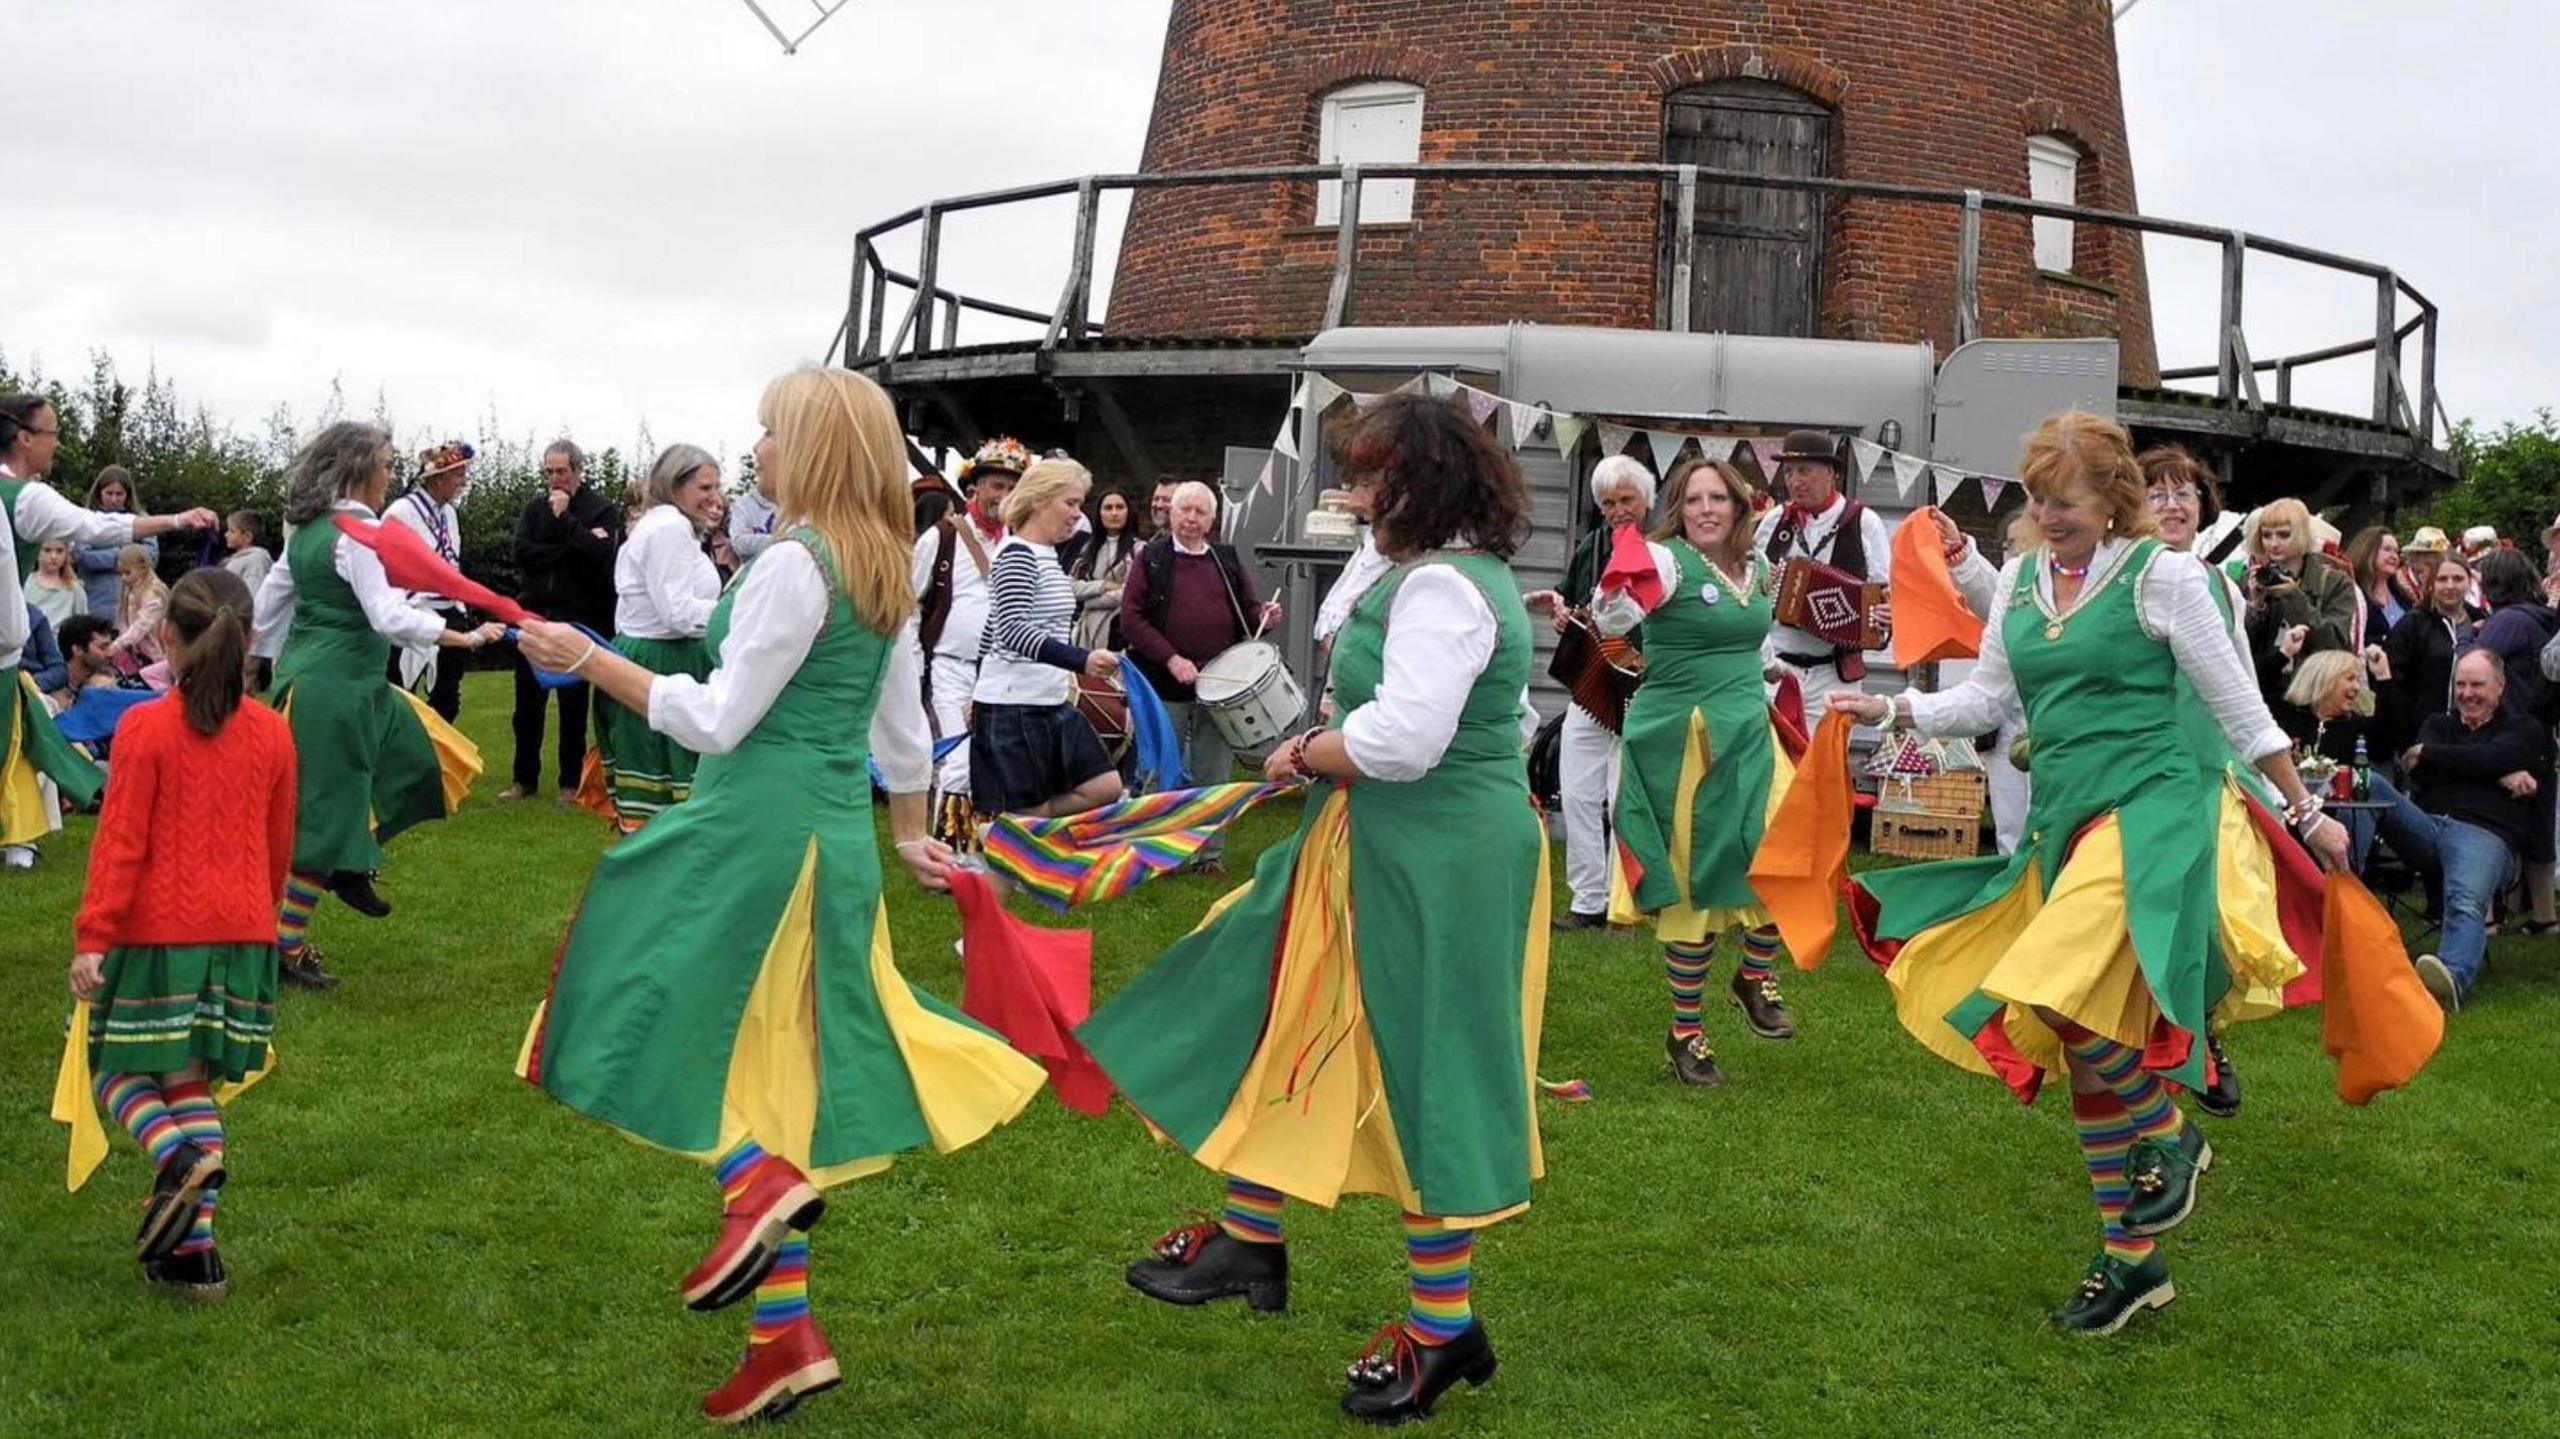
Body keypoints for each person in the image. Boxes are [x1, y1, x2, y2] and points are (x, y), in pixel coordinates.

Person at [515, 368, 1044, 1427]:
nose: (754, 450)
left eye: (767, 433)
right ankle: (781, 1339)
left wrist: (592, 659)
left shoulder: (795, 566)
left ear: (810, 448)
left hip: (752, 827)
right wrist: (904, 840)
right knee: (781, 1068)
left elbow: (716, 717)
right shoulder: (879, 564)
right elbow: (900, 735)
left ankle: (754, 1178)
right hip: (830, 843)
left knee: (632, 987)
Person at [1832, 411, 2348, 1338]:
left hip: (2151, 812)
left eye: (2063, 501)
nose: (2046, 515)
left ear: (2113, 501)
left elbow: (2238, 703)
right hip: (2066, 821)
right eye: (2035, 499)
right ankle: (2131, 1262)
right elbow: (1993, 698)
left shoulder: (2166, 576)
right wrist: (1895, 704)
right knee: (2084, 1045)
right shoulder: (2024, 581)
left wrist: (2304, 811)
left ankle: (2172, 1135)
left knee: (2046, 986)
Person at [1085, 392, 1543, 1426]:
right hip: (1375, 835)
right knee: (1265, 988)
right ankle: (1251, 1232)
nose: (1354, 491)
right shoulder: (1416, 573)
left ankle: (1442, 1323)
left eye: (1372, 475)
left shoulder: (1448, 590)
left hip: (1435, 852)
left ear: (1417, 485)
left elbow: (1402, 741)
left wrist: (1306, 752)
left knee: (1427, 1062)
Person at [60, 566, 294, 1301]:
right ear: (250, 639)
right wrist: (269, 926)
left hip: (160, 932)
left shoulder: (145, 728)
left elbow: (120, 842)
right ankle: (195, 1259)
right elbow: (278, 845)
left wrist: (94, 936)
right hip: (244, 935)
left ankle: (173, 1153)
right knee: (188, 1079)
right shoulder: (275, 735)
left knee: (115, 1067)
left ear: (168, 636)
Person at [253, 423, 503, 990]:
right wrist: (460, 637)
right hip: (338, 692)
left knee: (428, 756)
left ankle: (349, 861)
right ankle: (286, 945)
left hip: (318, 685)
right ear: (359, 468)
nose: (391, 476)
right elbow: (387, 616)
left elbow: (266, 609)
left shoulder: (309, 530)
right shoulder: (358, 532)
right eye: (387, 465)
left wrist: (251, 663)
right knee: (324, 823)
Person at [1595, 457, 1807, 1082]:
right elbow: (1611, 620)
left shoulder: (1760, 569)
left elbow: (1750, 641)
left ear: (1740, 508)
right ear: (1678, 512)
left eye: (1718, 498)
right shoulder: (1664, 561)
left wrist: (1771, 670)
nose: (1706, 510)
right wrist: (1613, 593)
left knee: (1787, 856)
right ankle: (1687, 1033)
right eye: (1693, 501)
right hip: (1683, 742)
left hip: (1747, 732)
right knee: (1692, 887)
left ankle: (1753, 977)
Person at [2, 392, 218, 872]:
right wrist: (177, 520)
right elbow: (96, 527)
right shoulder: (25, 498)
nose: (57, 444)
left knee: (20, 741)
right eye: (52, 434)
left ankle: (19, 840)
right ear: (24, 438)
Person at [1118, 480, 1282, 871]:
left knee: (1213, 774)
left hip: (1220, 686)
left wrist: (1265, 616)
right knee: (1162, 770)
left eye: (1200, 512)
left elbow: (1247, 610)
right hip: (1163, 681)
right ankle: (1155, 855)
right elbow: (1131, 619)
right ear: (1171, 513)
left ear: (1212, 519)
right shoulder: (1152, 557)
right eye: (1184, 510)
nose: (1191, 518)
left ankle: (1208, 855)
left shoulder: (1225, 559)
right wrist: (1171, 658)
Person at [1522, 454, 1654, 930]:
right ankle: (1587, 901)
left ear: (1647, 501)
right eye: (1607, 502)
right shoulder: (1593, 544)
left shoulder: (1664, 549)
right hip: (1593, 684)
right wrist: (1562, 613)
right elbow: (1572, 599)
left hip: (1646, 687)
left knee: (1625, 798)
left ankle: (1628, 902)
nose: (1618, 510)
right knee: (1576, 791)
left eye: (1626, 500)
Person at [2377, 652, 2549, 1011]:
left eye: (2478, 685)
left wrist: (2435, 756)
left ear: (2500, 688)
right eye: (2461, 684)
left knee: (2466, 899)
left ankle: (2450, 979)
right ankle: (2335, 904)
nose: (2467, 693)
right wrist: (2498, 773)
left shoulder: (2525, 730)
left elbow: (2437, 759)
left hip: (2484, 834)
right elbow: (2417, 769)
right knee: (2374, 787)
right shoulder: (2438, 723)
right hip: (2426, 827)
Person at [970, 457, 1124, 821]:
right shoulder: (1018, 555)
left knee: (1105, 787)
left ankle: (1011, 830)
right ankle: (1008, 840)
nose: (1077, 514)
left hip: (1046, 700)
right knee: (1028, 825)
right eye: (1070, 503)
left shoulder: (1044, 555)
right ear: (1040, 499)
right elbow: (1011, 629)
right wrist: (1081, 660)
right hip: (1016, 706)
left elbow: (992, 626)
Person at [595, 444, 725, 834]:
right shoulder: (668, 528)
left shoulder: (671, 525)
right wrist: (735, 613)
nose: (714, 497)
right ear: (674, 484)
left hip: (665, 656)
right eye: (704, 487)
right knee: (663, 798)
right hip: (660, 660)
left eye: (716, 487)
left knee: (673, 800)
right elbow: (679, 613)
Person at [911, 437, 1027, 839]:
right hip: (952, 669)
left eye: (1014, 488)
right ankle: (948, 855)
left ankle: (985, 850)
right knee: (959, 760)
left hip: (1002, 671)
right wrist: (912, 670)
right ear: (974, 488)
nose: (1005, 495)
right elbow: (908, 605)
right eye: (998, 485)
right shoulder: (941, 537)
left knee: (995, 759)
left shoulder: (1021, 542)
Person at [502, 440, 622, 802]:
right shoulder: (533, 509)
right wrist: (569, 548)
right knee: (527, 707)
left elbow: (600, 558)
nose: (555, 479)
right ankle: (524, 780)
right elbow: (521, 553)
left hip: (578, 620)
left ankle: (570, 784)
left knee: (573, 707)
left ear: (578, 471)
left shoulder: (600, 510)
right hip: (535, 617)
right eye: (549, 472)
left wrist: (567, 521)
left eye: (562, 472)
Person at [1754, 428, 1892, 713]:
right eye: (1789, 472)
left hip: (1835, 674)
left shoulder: (1864, 522)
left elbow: (1884, 593)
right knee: (1771, 756)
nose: (1794, 481)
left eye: (1804, 471)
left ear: (1831, 473)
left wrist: (1883, 615)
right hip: (1775, 667)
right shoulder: (1775, 521)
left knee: (1825, 757)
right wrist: (1771, 584)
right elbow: (1749, 584)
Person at [2470, 547, 2559, 932]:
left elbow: (2478, 664)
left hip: (2508, 732)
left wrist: (2465, 637)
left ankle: (2488, 916)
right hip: (2542, 731)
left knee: (2490, 818)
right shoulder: (2546, 620)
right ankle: (2544, 916)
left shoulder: (2506, 622)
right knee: (2540, 825)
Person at [383, 442, 477, 721]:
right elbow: (387, 565)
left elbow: (452, 561)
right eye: (458, 475)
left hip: (450, 610)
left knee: (448, 697)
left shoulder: (449, 514)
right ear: (438, 477)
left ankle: (440, 758)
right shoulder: (400, 512)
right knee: (400, 692)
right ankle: (400, 754)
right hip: (411, 610)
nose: (463, 482)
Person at [2377, 552, 2477, 758]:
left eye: (2458, 579)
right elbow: (2396, 683)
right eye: (2442, 579)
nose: (2450, 585)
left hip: (2473, 734)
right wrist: (2405, 737)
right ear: (2431, 584)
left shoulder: (2481, 622)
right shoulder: (2413, 624)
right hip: (2424, 735)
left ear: (2469, 582)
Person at [74, 465, 155, 618]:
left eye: (119, 494)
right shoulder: (87, 518)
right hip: (96, 605)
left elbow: (151, 556)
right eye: (109, 493)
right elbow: (83, 557)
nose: (114, 499)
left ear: (128, 495)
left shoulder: (141, 519)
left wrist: (104, 555)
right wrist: (125, 553)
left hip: (135, 607)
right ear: (99, 493)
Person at [1069, 487, 1143, 651]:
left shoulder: (1138, 550)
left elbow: (1133, 593)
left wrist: (1089, 601)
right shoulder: (1087, 550)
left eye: (1119, 507)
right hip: (1086, 632)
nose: (1114, 513)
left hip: (1119, 630)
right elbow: (1071, 587)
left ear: (1128, 512)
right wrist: (1104, 585)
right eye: (1108, 508)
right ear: (1099, 513)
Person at [107, 544, 169, 681]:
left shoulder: (154, 593)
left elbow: (141, 625)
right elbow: (123, 621)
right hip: (135, 655)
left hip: (155, 655)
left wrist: (118, 645)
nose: (123, 578)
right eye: (121, 573)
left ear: (142, 569)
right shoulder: (129, 590)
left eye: (127, 573)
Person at [2345, 526, 2409, 641]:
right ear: (2367, 551)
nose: (2394, 556)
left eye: (2396, 552)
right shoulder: (2352, 594)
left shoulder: (2403, 596)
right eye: (2387, 549)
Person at [52, 614, 120, 708]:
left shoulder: (106, 683)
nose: (110, 654)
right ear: (78, 650)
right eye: (102, 647)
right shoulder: (53, 692)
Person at [26, 537, 86, 628]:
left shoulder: (75, 589)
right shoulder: (25, 583)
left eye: (59, 551)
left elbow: (82, 625)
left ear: (66, 554)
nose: (53, 556)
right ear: (37, 553)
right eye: (47, 550)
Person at [221, 511, 274, 597]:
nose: (226, 534)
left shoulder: (256, 561)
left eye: (232, 531)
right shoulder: (237, 559)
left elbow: (253, 595)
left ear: (247, 537)